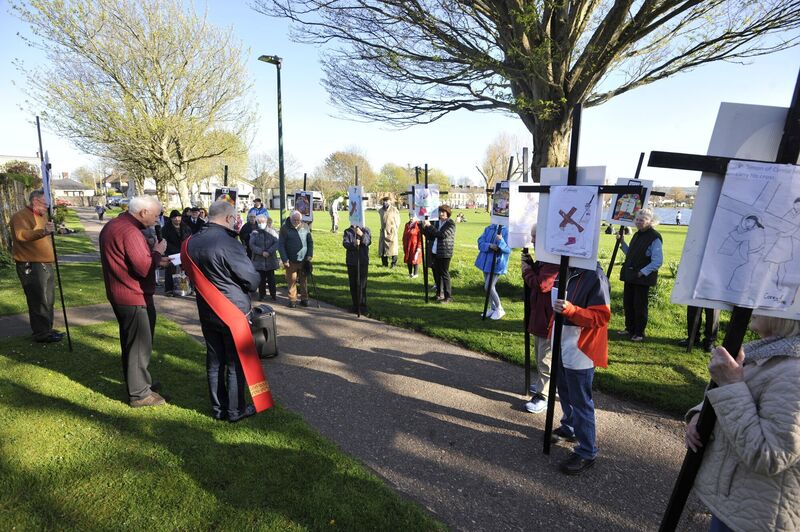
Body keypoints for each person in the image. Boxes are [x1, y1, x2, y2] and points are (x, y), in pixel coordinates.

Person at [684, 316, 800, 531]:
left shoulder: (795, 371)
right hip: (739, 505)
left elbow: (770, 455)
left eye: (767, 298)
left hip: (761, 518)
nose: (754, 307)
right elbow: (743, 395)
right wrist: (700, 415)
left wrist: (730, 384)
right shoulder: (770, 352)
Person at [183, 200, 261, 422]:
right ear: (228, 218)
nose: (237, 221)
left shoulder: (190, 241)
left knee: (214, 361)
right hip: (232, 311)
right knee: (234, 363)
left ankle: (219, 409)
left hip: (207, 308)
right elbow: (252, 280)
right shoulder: (228, 243)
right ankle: (235, 410)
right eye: (235, 217)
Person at [99, 195, 169, 407]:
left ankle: (139, 383)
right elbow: (143, 267)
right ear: (143, 212)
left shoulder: (116, 224)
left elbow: (135, 262)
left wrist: (154, 258)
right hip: (132, 295)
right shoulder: (129, 231)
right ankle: (139, 394)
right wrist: (157, 253)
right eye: (156, 216)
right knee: (139, 344)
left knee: (132, 342)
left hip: (122, 292)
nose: (158, 220)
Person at [550, 263, 611, 475]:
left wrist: (570, 310)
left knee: (580, 398)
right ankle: (570, 427)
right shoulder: (566, 268)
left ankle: (587, 451)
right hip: (561, 340)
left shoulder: (595, 275)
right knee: (564, 390)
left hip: (581, 346)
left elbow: (601, 317)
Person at [10, 190, 64, 343]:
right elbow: (21, 235)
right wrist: (43, 232)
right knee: (38, 299)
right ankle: (41, 334)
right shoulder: (20, 217)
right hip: (31, 264)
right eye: (44, 203)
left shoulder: (42, 216)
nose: (47, 207)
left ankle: (47, 329)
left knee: (49, 299)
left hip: (45, 263)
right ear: (34, 201)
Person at [521, 225, 559, 414]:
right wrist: (532, 264)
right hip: (539, 315)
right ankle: (546, 386)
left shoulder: (553, 261)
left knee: (545, 358)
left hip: (547, 318)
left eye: (536, 237)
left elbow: (542, 284)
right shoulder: (546, 259)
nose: (533, 240)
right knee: (540, 354)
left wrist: (527, 270)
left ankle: (544, 395)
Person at [616, 209, 663, 341]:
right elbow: (631, 254)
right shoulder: (638, 235)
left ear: (650, 221)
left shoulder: (654, 237)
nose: (638, 222)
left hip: (642, 278)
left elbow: (657, 261)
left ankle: (639, 333)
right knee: (628, 303)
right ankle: (629, 328)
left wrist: (642, 272)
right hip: (631, 275)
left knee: (639, 305)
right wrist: (622, 243)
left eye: (642, 220)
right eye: (637, 219)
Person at [475, 222, 511, 320]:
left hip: (497, 263)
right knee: (488, 287)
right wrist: (489, 245)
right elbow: (480, 242)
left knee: (489, 286)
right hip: (485, 262)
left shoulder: (507, 230)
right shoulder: (489, 228)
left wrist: (501, 241)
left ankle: (499, 308)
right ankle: (493, 308)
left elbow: (508, 249)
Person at [278, 210, 313, 308]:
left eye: (299, 220)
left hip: (304, 259)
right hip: (290, 260)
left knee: (303, 280)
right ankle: (292, 300)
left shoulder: (305, 227)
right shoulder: (284, 228)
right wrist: (284, 259)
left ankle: (304, 299)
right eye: (295, 219)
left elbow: (310, 242)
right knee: (291, 280)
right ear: (291, 218)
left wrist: (309, 254)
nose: (297, 221)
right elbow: (281, 245)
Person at [423, 205, 456, 302]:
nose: (441, 214)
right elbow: (430, 236)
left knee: (444, 274)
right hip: (435, 251)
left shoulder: (450, 224)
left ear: (448, 213)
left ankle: (448, 296)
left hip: (445, 252)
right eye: (440, 212)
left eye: (443, 212)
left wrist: (429, 226)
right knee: (436, 274)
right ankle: (439, 294)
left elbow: (441, 235)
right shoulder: (437, 223)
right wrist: (424, 228)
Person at [249, 215, 280, 301]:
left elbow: (277, 243)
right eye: (259, 222)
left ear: (266, 222)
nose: (260, 224)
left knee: (271, 279)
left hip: (270, 260)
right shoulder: (254, 232)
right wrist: (261, 252)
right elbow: (252, 245)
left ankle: (273, 294)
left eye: (262, 222)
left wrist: (269, 251)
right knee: (261, 280)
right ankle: (262, 295)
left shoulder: (272, 231)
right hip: (258, 260)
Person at [343, 223, 371, 313]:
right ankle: (355, 305)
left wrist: (361, 234)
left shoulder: (366, 230)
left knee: (362, 284)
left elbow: (367, 241)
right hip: (351, 262)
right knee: (353, 284)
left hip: (362, 261)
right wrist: (354, 244)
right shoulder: (347, 231)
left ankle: (362, 305)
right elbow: (345, 243)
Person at [162, 209, 191, 295]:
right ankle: (169, 289)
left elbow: (189, 238)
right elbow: (164, 241)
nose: (177, 219)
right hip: (171, 252)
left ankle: (186, 288)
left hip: (184, 251)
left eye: (179, 217)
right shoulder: (166, 228)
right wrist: (174, 250)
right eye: (174, 217)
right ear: (171, 218)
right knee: (170, 270)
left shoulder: (186, 227)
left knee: (186, 270)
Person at [378, 196, 400, 268]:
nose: (385, 202)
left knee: (393, 248)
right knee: (383, 248)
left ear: (390, 201)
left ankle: (393, 264)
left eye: (387, 201)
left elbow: (398, 221)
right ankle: (384, 264)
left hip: (392, 232)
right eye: (384, 201)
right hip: (383, 231)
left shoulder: (394, 210)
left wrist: (394, 229)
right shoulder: (380, 210)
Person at [402, 213, 422, 278]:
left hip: (414, 245)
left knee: (415, 258)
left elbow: (420, 237)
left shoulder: (418, 225)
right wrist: (404, 243)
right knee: (408, 258)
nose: (411, 218)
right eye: (410, 216)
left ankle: (415, 274)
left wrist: (419, 247)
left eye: (412, 216)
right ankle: (410, 273)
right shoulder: (407, 224)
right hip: (408, 245)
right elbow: (404, 234)